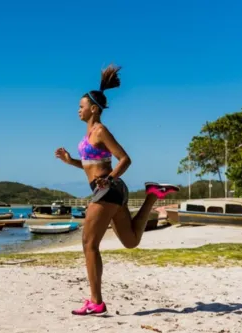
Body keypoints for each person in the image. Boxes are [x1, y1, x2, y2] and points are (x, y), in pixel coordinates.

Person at [54, 64, 179, 316]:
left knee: (89, 243)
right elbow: (91, 167)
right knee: (131, 241)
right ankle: (152, 195)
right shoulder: (87, 135)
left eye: (81, 106)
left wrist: (109, 179)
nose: (78, 110)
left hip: (108, 190)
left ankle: (96, 302)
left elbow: (124, 159)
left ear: (93, 109)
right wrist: (71, 161)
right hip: (110, 190)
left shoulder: (100, 130)